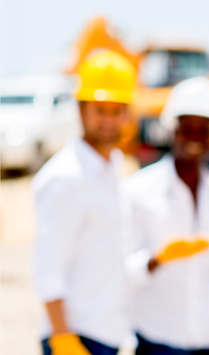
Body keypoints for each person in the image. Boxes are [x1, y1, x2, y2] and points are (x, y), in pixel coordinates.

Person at [122, 76, 209, 355]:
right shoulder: (137, 190)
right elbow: (118, 272)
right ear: (172, 130)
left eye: (204, 130)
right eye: (188, 129)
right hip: (156, 339)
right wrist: (155, 260)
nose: (195, 138)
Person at [32, 50, 136, 355]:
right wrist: (63, 337)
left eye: (116, 110)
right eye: (100, 110)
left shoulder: (112, 168)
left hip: (106, 334)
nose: (109, 120)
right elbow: (47, 266)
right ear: (81, 110)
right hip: (75, 337)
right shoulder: (66, 177)